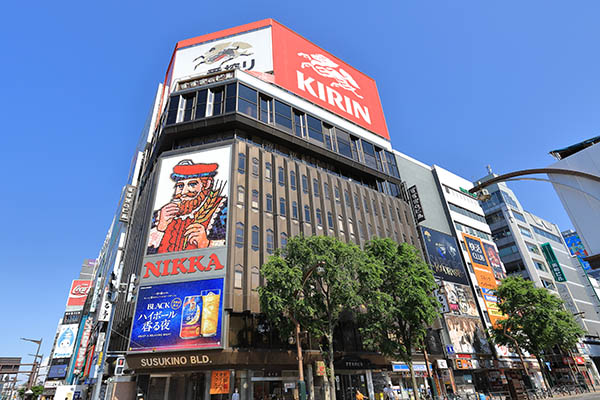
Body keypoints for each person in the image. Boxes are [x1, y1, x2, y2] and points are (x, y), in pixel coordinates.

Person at [147, 159, 227, 254]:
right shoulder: (159, 216)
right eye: (180, 186)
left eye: (192, 184)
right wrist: (159, 229)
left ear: (207, 184)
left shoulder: (222, 209)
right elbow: (142, 255)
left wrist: (207, 243)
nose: (184, 192)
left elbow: (237, 246)